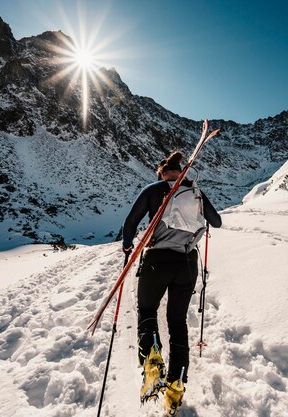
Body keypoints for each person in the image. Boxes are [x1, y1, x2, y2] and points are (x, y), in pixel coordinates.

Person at [122, 151, 222, 414]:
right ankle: (176, 383)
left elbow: (131, 222)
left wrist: (127, 246)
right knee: (177, 321)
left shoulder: (154, 190)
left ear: (162, 173)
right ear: (181, 173)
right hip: (187, 263)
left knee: (147, 310)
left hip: (158, 259)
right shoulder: (196, 192)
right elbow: (217, 222)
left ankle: (152, 360)